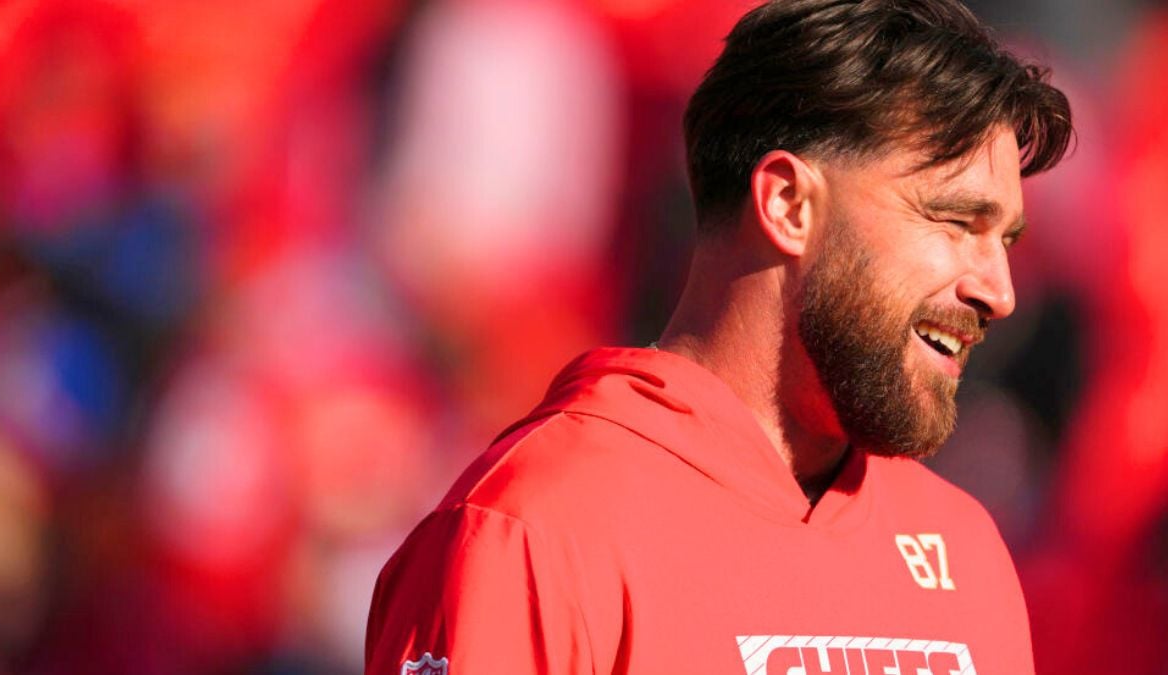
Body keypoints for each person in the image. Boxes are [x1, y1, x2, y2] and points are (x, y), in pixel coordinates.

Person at [365, 0, 1074, 673]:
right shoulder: (536, 530)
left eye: (1006, 238)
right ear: (789, 205)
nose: (1000, 291)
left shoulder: (965, 547)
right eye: (955, 222)